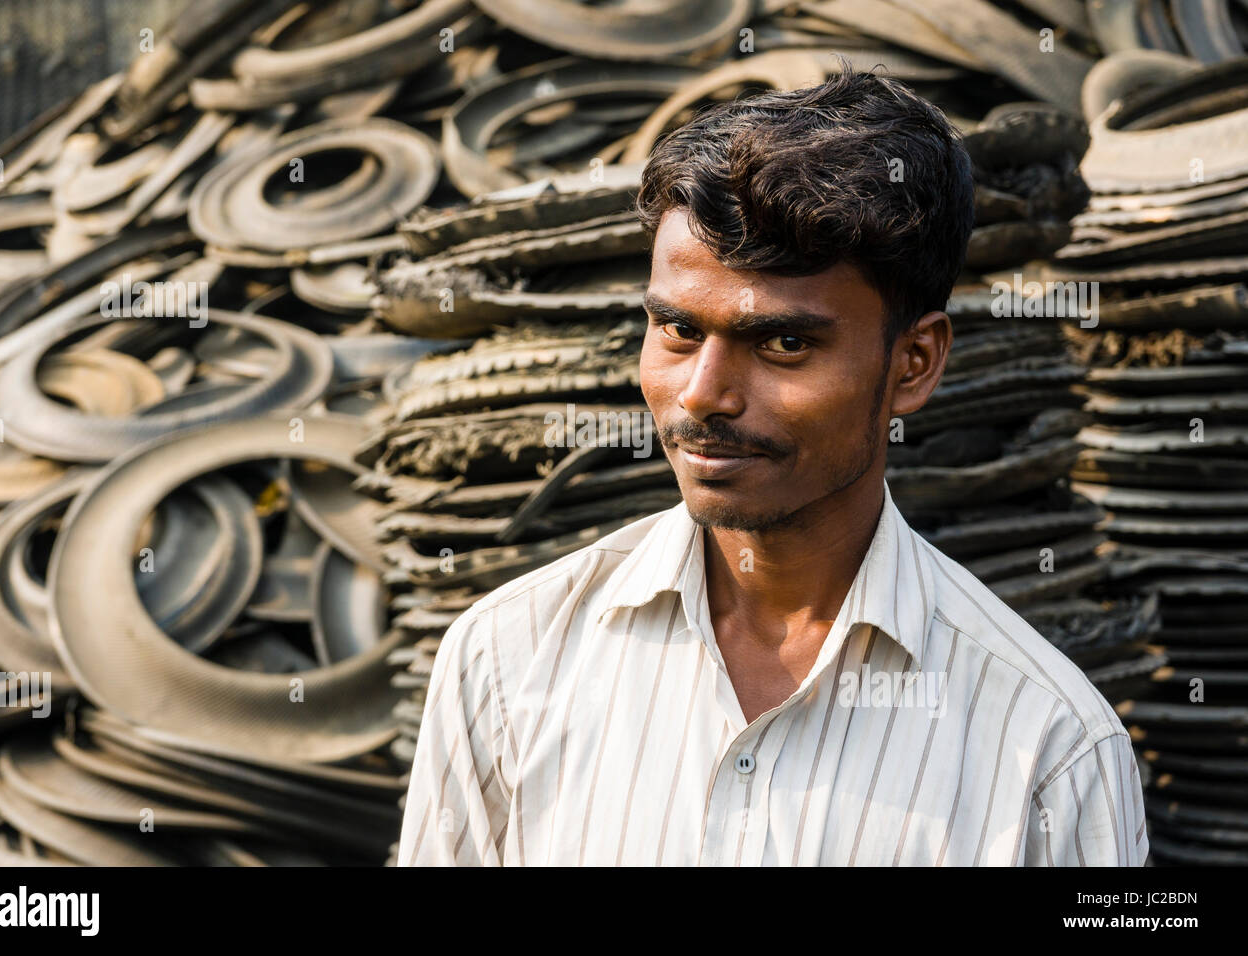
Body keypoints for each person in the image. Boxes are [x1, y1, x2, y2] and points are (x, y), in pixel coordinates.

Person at [396, 66, 1148, 866]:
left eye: (784, 343)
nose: (702, 394)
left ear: (914, 364)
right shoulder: (508, 660)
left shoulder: (1047, 747)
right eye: (678, 332)